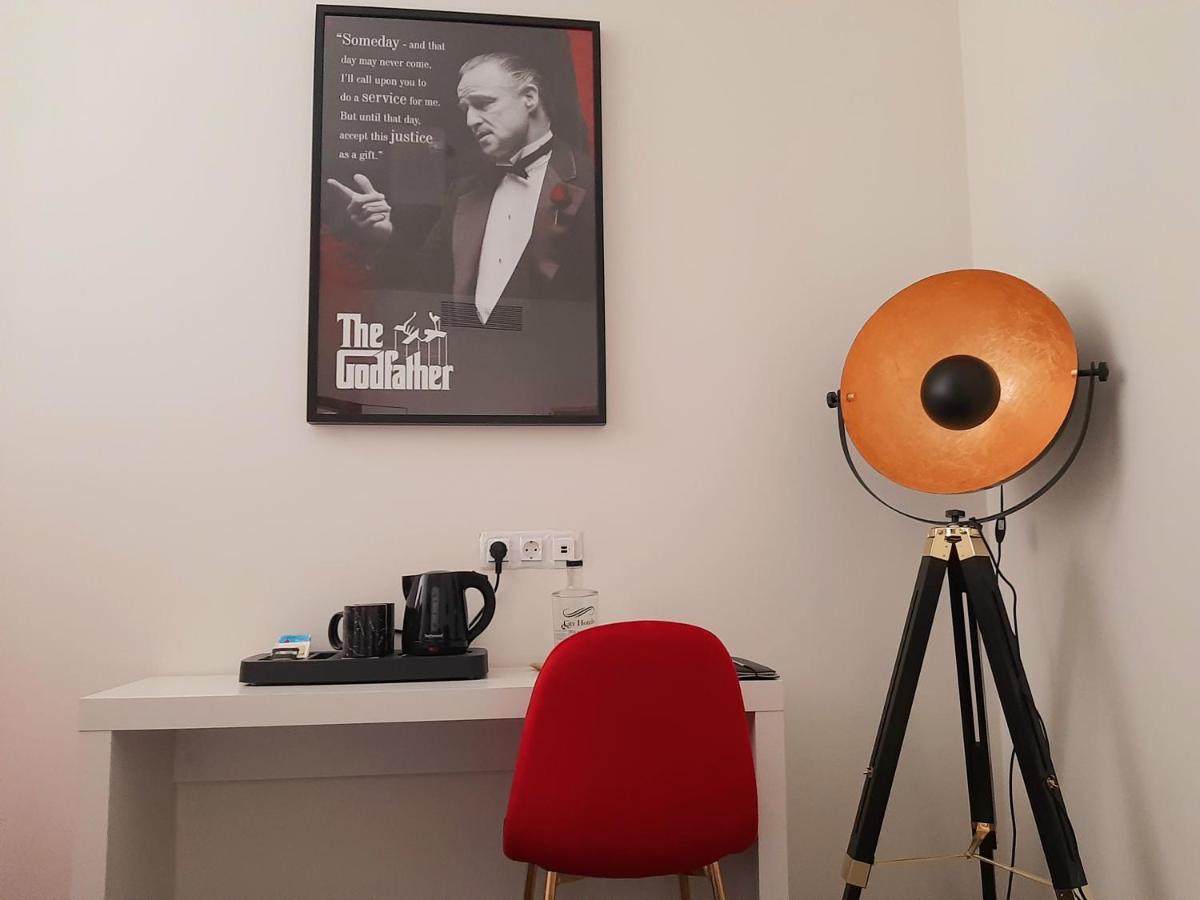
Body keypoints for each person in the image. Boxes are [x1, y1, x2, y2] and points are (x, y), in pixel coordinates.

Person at [327, 51, 597, 326]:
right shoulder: (463, 192)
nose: (471, 121)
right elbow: (425, 286)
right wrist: (382, 236)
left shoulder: (591, 184)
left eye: (483, 103)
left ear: (529, 97)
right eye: (465, 109)